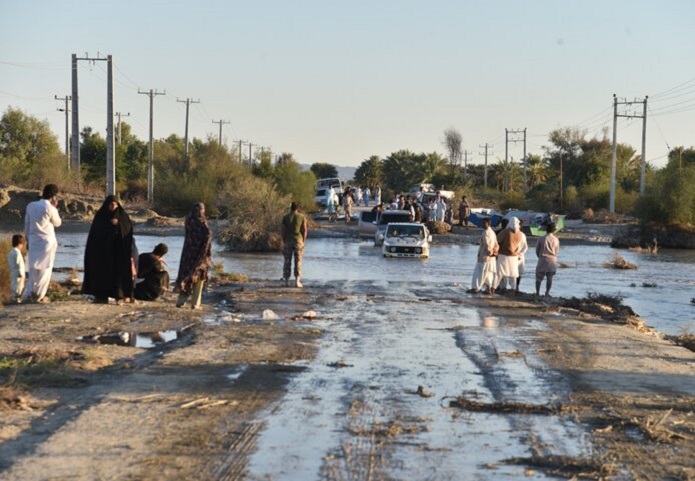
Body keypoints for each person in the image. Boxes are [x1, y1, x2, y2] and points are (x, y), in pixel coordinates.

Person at [83, 195, 136, 304]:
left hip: (119, 252)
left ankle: (120, 296)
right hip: (103, 253)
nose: (113, 207)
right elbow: (95, 235)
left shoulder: (123, 216)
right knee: (103, 274)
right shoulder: (101, 216)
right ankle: (101, 296)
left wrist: (118, 225)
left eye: (115, 204)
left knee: (119, 274)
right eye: (111, 204)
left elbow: (128, 232)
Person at [23, 184, 62, 303]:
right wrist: (55, 208)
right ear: (54, 197)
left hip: (33, 240)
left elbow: (27, 224)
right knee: (46, 269)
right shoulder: (50, 208)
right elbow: (57, 223)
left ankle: (28, 293)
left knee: (33, 268)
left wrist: (27, 240)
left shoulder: (30, 206)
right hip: (47, 242)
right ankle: (39, 295)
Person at [176, 203, 213, 309]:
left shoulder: (189, 222)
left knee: (186, 275)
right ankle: (195, 303)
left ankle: (181, 300)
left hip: (187, 255)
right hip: (200, 256)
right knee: (199, 277)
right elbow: (207, 237)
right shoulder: (203, 224)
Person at [281, 202, 308, 288]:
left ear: (291, 208)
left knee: (287, 261)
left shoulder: (285, 217)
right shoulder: (301, 217)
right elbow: (304, 230)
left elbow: (283, 231)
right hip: (298, 241)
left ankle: (286, 282)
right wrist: (303, 241)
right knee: (298, 261)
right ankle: (297, 282)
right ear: (297, 208)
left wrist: (283, 241)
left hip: (288, 241)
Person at [494, 216, 524, 293]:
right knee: (512, 274)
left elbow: (497, 240)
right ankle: (513, 289)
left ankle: (495, 287)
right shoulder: (520, 234)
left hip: (503, 255)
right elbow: (520, 246)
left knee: (500, 273)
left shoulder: (505, 232)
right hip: (514, 257)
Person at [470, 218, 499, 294]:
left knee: (479, 274)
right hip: (491, 258)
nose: (482, 224)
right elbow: (496, 245)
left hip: (484, 257)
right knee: (488, 274)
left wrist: (490, 253)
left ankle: (476, 288)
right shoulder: (492, 232)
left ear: (488, 224)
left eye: (484, 223)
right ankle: (488, 289)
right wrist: (495, 253)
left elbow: (487, 245)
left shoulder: (486, 233)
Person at [535, 223, 560, 296]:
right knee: (550, 277)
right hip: (552, 260)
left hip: (542, 258)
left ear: (546, 229)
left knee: (539, 277)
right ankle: (547, 292)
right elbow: (557, 251)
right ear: (554, 230)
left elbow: (537, 250)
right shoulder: (556, 239)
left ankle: (537, 292)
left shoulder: (541, 238)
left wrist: (539, 257)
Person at [7, 234, 26, 303]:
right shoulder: (17, 252)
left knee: (14, 286)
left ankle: (15, 299)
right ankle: (17, 301)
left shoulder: (11, 252)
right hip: (18, 273)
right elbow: (19, 264)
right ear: (20, 243)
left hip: (13, 272)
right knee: (19, 287)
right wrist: (21, 274)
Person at [516, 220, 529, 293]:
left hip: (518, 256)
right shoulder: (521, 234)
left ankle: (516, 286)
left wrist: (520, 253)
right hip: (517, 256)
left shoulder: (522, 235)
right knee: (516, 272)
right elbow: (526, 247)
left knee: (519, 272)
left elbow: (525, 247)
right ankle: (515, 286)